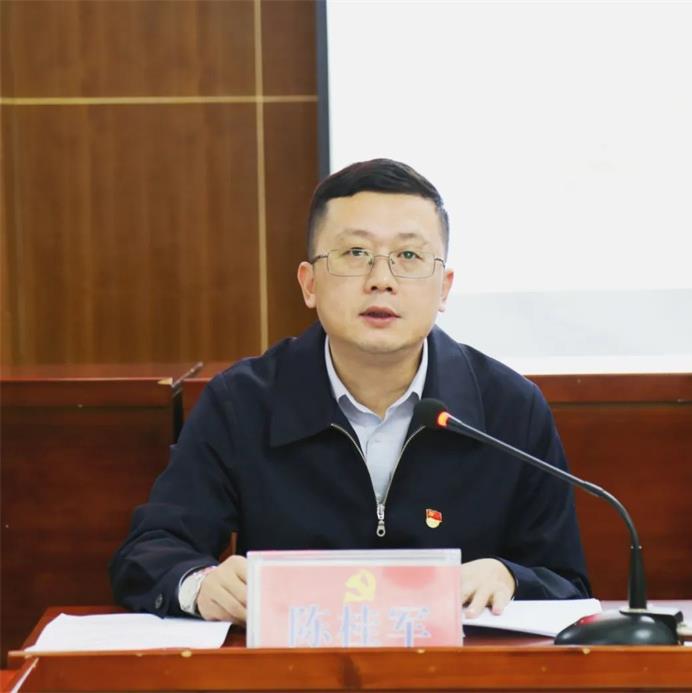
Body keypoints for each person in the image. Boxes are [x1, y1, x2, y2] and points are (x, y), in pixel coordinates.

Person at [110, 159, 590, 624]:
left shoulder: (509, 407)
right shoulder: (243, 402)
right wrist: (200, 585)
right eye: (356, 253)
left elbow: (567, 583)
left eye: (409, 256)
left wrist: (510, 577)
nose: (381, 280)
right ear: (309, 283)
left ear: (444, 288)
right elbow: (150, 552)